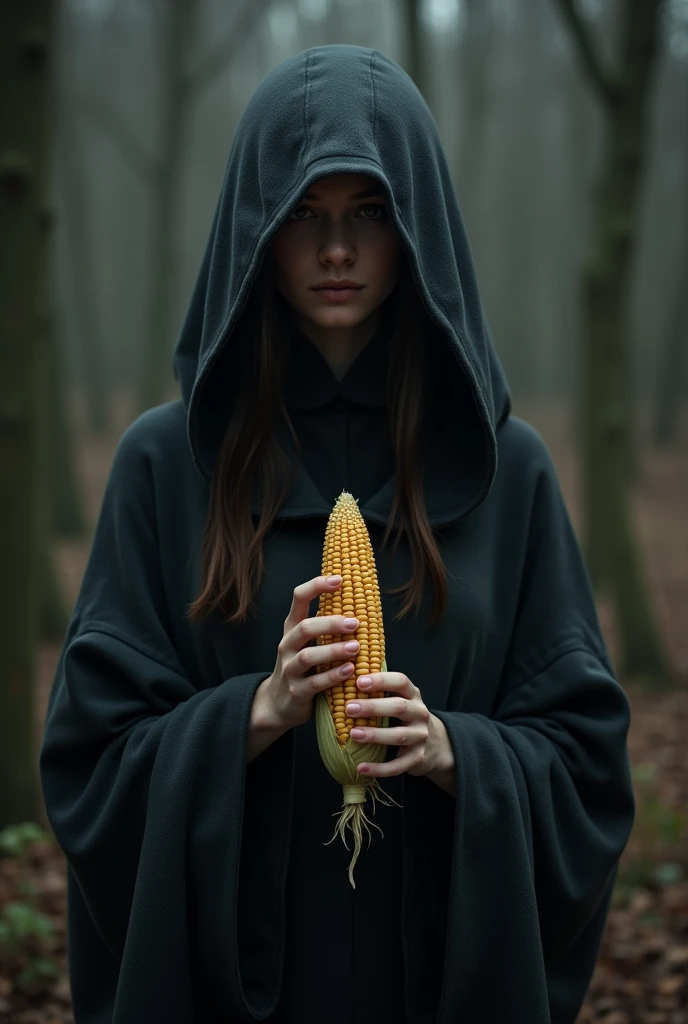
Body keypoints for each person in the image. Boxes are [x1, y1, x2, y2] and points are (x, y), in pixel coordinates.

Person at [39, 44, 635, 1024]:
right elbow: (90, 763)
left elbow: (584, 763)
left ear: (414, 231)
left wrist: (456, 754)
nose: (336, 251)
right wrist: (254, 714)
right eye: (304, 217)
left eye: (367, 213)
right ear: (257, 232)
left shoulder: (505, 468)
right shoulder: (163, 464)